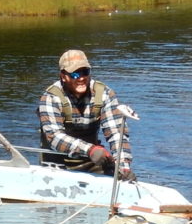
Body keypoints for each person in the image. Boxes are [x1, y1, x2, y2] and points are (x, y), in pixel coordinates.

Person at [38, 49, 135, 181]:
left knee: (122, 178)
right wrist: (90, 150)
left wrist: (123, 166)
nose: (81, 78)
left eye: (85, 72)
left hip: (91, 160)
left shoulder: (104, 94)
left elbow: (116, 133)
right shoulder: (51, 97)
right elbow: (54, 137)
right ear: (63, 76)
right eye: (75, 74)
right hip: (56, 160)